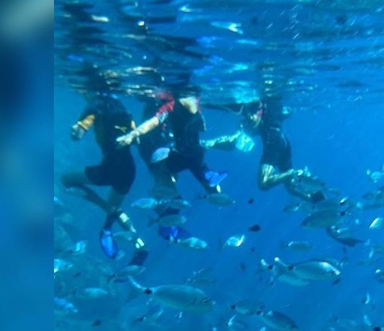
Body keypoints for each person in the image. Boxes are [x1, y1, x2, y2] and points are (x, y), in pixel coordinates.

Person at [118, 88, 245, 239]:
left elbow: (153, 123)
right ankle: (220, 196)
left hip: (176, 152)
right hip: (196, 153)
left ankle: (174, 205)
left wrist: (132, 135)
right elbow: (203, 126)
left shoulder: (170, 105)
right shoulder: (195, 102)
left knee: (163, 172)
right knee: (203, 175)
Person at [61, 92, 148, 264]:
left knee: (66, 180)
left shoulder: (95, 105)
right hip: (128, 170)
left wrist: (77, 130)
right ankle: (139, 244)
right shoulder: (125, 112)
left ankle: (105, 208)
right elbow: (136, 140)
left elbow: (80, 129)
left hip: (109, 168)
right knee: (112, 214)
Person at [241, 95, 324, 202]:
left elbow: (253, 122)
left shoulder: (259, 105)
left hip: (273, 143)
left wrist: (245, 123)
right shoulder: (273, 105)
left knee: (264, 183)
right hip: (283, 142)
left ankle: (295, 173)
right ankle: (315, 200)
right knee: (291, 189)